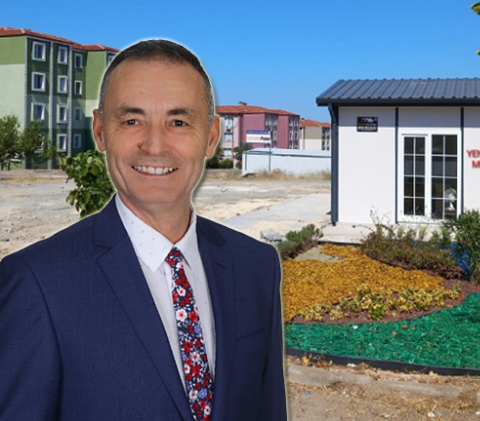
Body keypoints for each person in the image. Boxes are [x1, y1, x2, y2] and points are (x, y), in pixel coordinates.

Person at [0, 39, 288, 421]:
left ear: (211, 137)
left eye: (178, 122)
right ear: (100, 131)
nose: (155, 146)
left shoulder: (256, 266)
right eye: (132, 121)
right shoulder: (36, 284)